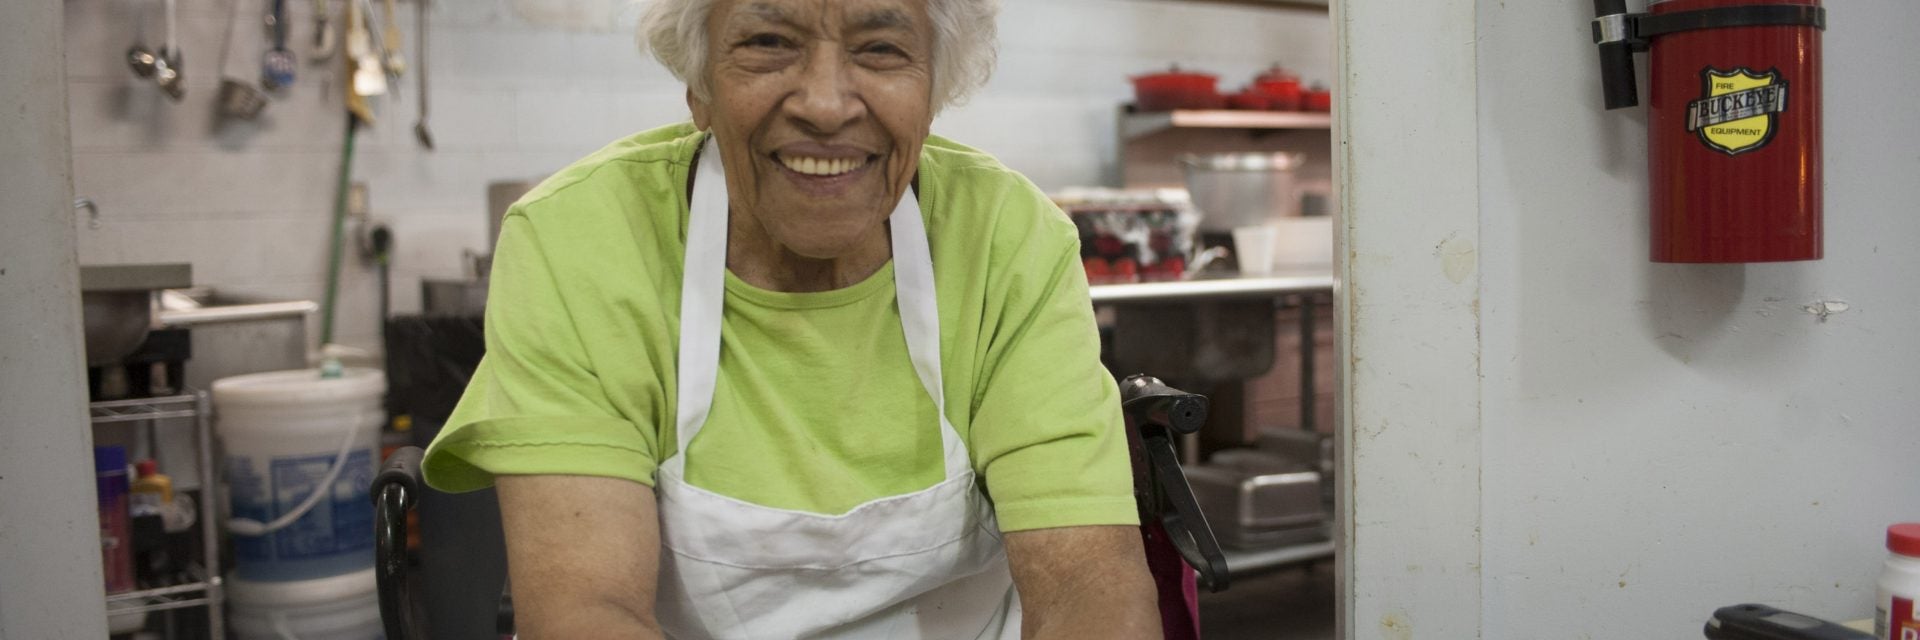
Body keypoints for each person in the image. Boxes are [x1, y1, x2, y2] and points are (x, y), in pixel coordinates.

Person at [421, 0, 1160, 637]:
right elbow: (585, 611)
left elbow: (1090, 587)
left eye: (880, 48)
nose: (827, 104)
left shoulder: (1006, 239)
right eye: (769, 42)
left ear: (935, 86)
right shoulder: (581, 241)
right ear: (699, 82)